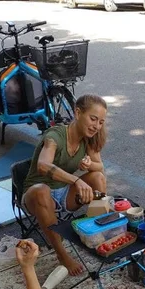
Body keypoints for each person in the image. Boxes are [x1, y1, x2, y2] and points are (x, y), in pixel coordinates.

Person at [22, 94, 108, 276]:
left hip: (64, 195)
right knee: (42, 191)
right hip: (36, 196)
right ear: (78, 113)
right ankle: (62, 254)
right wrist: (76, 180)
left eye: (101, 122)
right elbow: (43, 165)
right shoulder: (55, 136)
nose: (96, 126)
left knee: (98, 179)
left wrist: (88, 164)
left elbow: (99, 166)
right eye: (93, 119)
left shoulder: (89, 138)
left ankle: (98, 229)